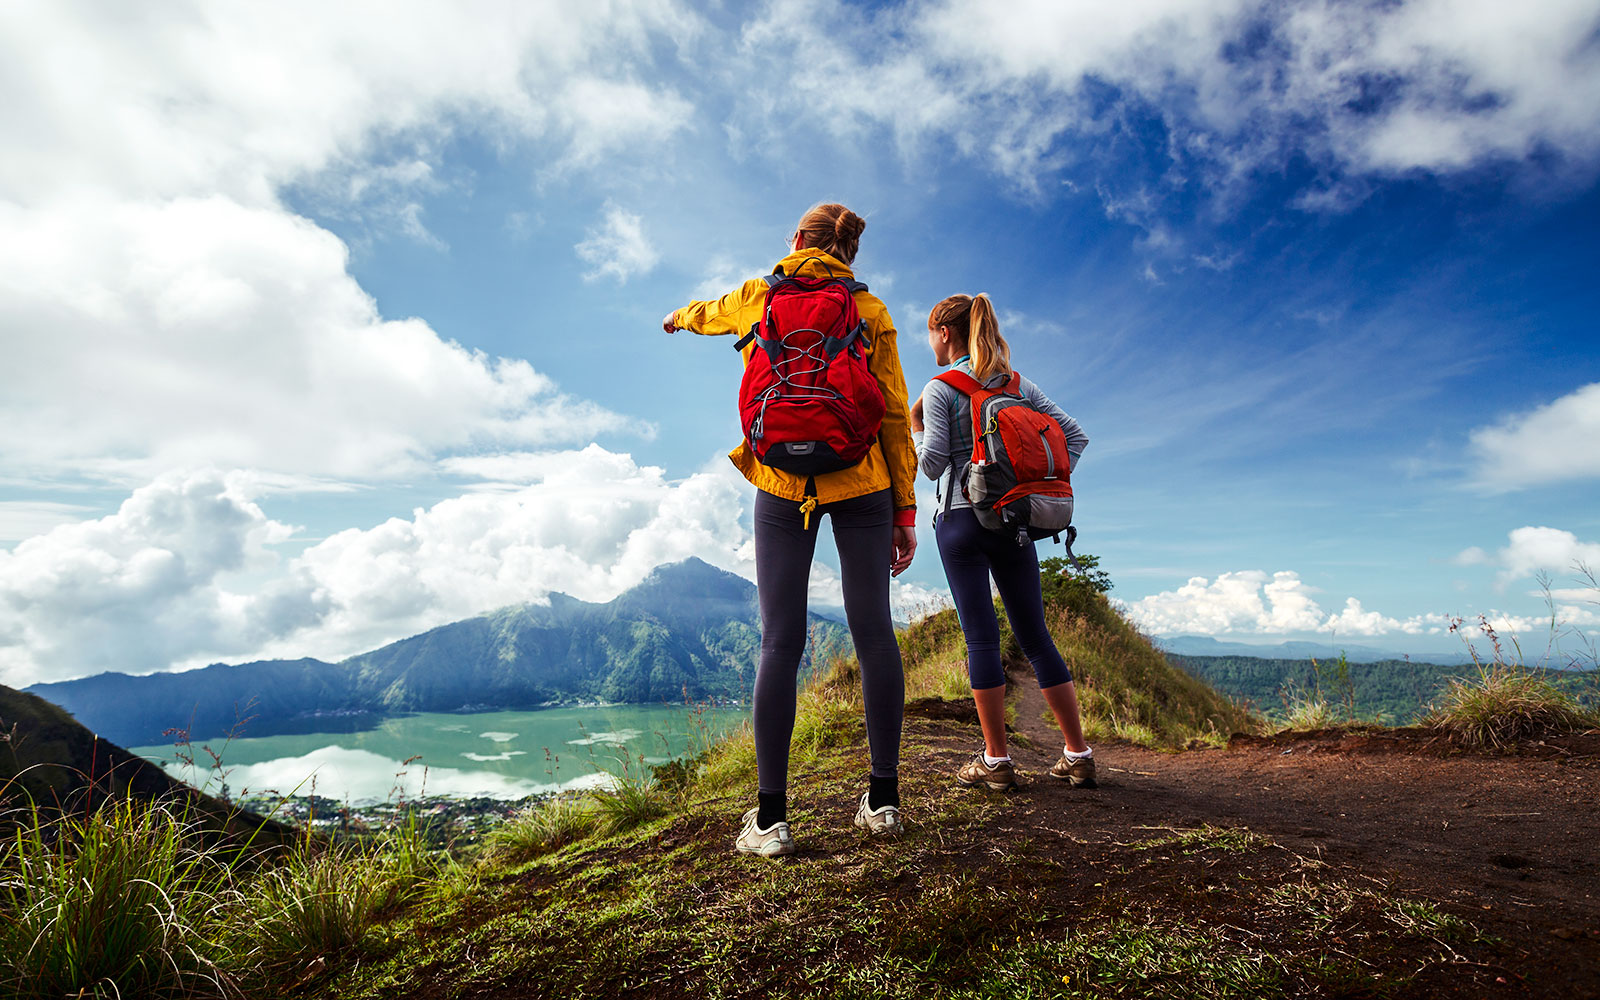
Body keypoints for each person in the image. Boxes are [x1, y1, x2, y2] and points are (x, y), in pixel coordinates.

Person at [662, 203, 919, 856]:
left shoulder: (759, 296)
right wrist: (905, 509)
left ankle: (772, 820)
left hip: (779, 482)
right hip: (863, 483)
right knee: (873, 633)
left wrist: (679, 317)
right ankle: (883, 803)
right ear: (847, 254)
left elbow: (709, 313)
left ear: (797, 241)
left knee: (781, 642)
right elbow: (891, 411)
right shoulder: (871, 312)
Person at [910, 293, 1096, 791]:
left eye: (929, 333)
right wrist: (1030, 482)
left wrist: (912, 438)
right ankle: (1077, 754)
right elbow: (1074, 436)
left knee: (981, 638)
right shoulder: (1017, 384)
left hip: (961, 521)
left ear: (944, 333)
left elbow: (930, 465)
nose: (928, 341)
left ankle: (996, 761)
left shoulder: (940, 388)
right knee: (1035, 636)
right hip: (1014, 521)